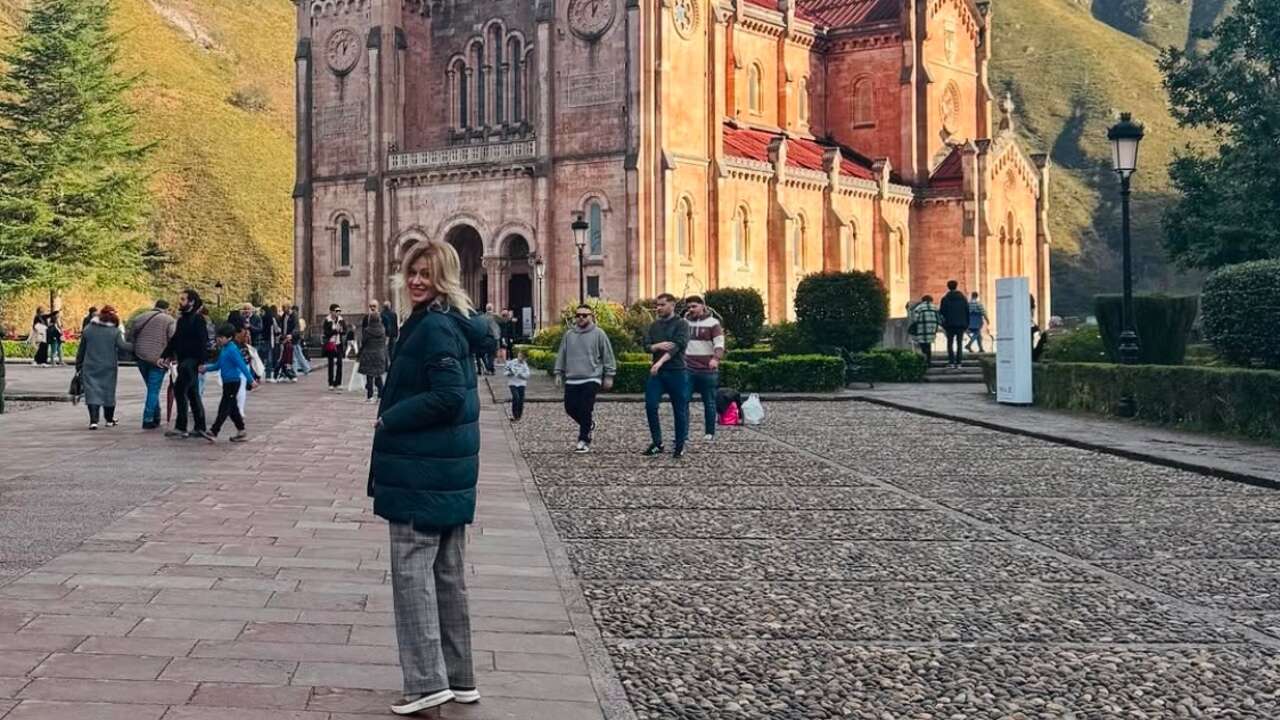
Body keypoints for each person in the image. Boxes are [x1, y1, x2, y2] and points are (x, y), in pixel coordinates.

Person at [368, 237, 494, 715]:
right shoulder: (450, 323)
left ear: (445, 278)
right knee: (447, 577)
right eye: (412, 271)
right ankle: (459, 680)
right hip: (446, 473)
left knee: (413, 577)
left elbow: (448, 397)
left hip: (422, 473)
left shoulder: (434, 328)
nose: (417, 280)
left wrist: (391, 417)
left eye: (427, 273)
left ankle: (425, 686)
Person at [553, 304, 617, 453]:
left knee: (586, 408)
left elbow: (608, 355)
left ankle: (583, 440)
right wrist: (558, 373)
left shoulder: (599, 334)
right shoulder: (569, 334)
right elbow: (562, 354)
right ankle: (588, 425)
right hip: (572, 378)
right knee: (569, 408)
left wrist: (609, 376)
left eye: (584, 315)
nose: (581, 318)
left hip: (591, 377)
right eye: (578, 315)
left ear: (591, 316)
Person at [642, 293, 691, 458]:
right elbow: (646, 345)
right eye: (657, 305)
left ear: (672, 305)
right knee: (650, 405)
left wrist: (659, 362)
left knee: (680, 410)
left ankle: (679, 445)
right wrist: (656, 346)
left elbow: (677, 346)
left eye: (662, 305)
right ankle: (657, 443)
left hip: (677, 372)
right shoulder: (654, 325)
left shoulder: (682, 324)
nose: (658, 308)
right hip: (658, 374)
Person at [161, 289, 211, 441]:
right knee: (192, 393)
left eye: (183, 299)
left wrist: (202, 362)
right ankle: (199, 426)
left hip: (191, 361)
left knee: (180, 389)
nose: (180, 302)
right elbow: (176, 339)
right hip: (184, 360)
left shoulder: (198, 319)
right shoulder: (182, 320)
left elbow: (203, 341)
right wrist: (165, 355)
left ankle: (182, 427)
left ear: (191, 302)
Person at [75, 306, 132, 430]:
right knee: (108, 392)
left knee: (92, 392)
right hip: (109, 367)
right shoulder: (115, 332)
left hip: (90, 365)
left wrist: (78, 365)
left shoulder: (88, 329)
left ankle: (93, 421)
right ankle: (109, 419)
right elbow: (123, 346)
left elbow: (81, 350)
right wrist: (138, 345)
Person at [127, 300, 177, 430]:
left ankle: (156, 416)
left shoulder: (140, 317)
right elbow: (173, 339)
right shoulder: (169, 320)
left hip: (141, 356)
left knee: (151, 389)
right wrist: (174, 357)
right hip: (158, 359)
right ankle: (148, 419)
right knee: (153, 390)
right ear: (167, 308)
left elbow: (130, 336)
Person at [202, 324, 256, 443]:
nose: (218, 340)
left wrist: (251, 380)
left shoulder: (232, 350)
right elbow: (218, 365)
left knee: (224, 407)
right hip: (227, 382)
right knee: (232, 408)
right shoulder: (224, 349)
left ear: (229, 338)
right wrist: (206, 368)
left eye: (221, 337)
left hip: (233, 382)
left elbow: (242, 365)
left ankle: (214, 431)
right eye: (218, 337)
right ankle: (241, 430)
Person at [683, 295, 725, 442]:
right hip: (687, 368)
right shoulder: (683, 323)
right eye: (688, 307)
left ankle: (709, 432)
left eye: (694, 306)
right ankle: (684, 434)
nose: (691, 309)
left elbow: (719, 344)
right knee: (683, 401)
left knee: (709, 402)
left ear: (702, 306)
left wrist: (716, 358)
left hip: (707, 369)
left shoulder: (713, 323)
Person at [938, 280, 969, 369]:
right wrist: (966, 324)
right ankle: (959, 362)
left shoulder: (945, 299)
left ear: (948, 287)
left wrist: (943, 324)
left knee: (950, 343)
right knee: (959, 343)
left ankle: (951, 362)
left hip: (949, 325)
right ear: (956, 286)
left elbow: (942, 312)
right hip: (961, 324)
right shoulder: (963, 298)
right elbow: (967, 311)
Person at [359, 312, 389, 403]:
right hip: (380, 354)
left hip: (369, 353)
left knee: (370, 375)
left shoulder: (367, 330)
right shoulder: (383, 329)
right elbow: (384, 341)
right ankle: (381, 395)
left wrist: (360, 353)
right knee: (378, 375)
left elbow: (364, 342)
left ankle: (370, 396)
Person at [909, 295, 942, 367]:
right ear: (931, 300)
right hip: (931, 330)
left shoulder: (919, 308)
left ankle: (924, 361)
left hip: (922, 329)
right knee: (928, 345)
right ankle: (929, 362)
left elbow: (915, 319)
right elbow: (939, 319)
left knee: (923, 345)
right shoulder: (935, 307)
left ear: (922, 300)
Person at [323, 304, 347, 390]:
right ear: (331, 311)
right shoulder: (327, 320)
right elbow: (326, 333)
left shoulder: (341, 320)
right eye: (336, 311)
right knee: (331, 364)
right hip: (330, 344)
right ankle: (331, 383)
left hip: (339, 344)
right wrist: (334, 331)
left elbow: (345, 330)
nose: (338, 312)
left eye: (339, 311)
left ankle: (338, 382)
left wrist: (341, 330)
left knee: (340, 363)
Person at [504, 349, 530, 421]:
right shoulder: (511, 363)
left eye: (522, 357)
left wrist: (521, 375)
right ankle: (515, 414)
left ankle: (519, 415)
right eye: (520, 356)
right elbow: (505, 372)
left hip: (521, 383)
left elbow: (527, 375)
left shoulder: (525, 365)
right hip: (512, 383)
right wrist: (510, 373)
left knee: (521, 399)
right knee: (516, 397)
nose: (520, 358)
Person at [260, 305, 281, 383]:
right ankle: (267, 376)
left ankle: (261, 375)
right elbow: (277, 329)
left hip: (265, 340)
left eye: (262, 311)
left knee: (264, 358)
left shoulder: (262, 318)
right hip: (268, 340)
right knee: (268, 358)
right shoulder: (271, 318)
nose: (261, 313)